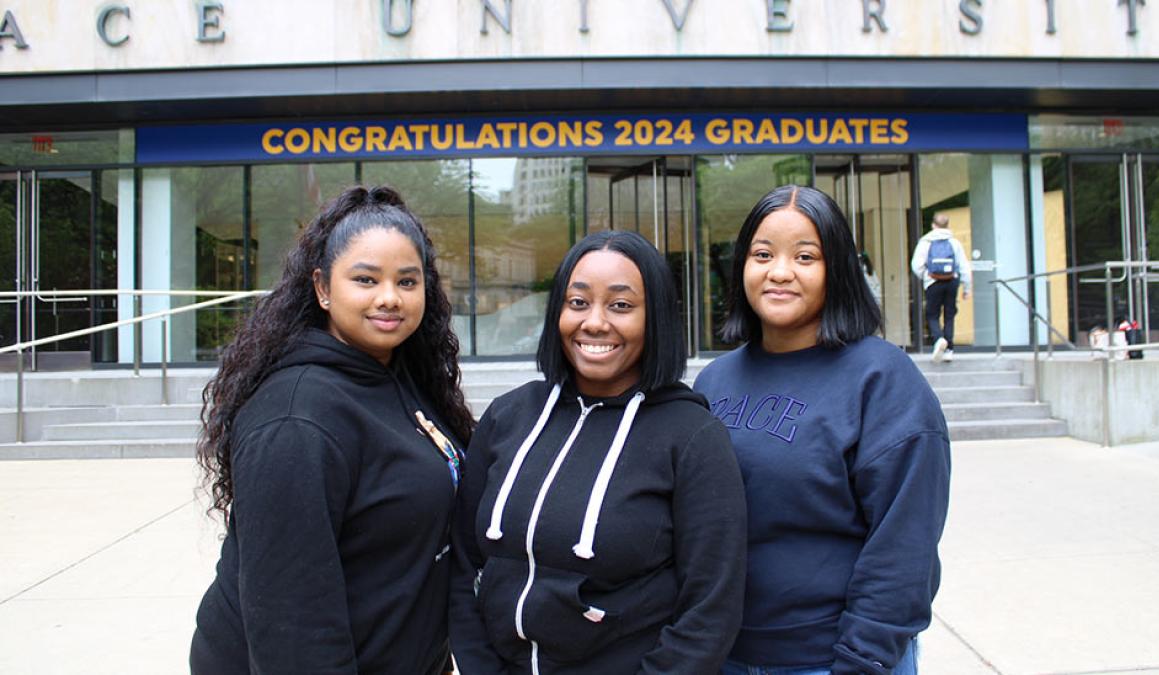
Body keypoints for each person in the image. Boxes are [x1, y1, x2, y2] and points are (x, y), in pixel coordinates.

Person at [191, 186, 475, 675]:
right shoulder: (296, 419)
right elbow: (293, 626)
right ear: (323, 287)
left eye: (407, 282)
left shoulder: (396, 376)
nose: (389, 298)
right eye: (366, 279)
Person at [450, 230, 747, 674]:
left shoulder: (691, 436)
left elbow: (710, 608)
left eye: (621, 305)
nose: (594, 322)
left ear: (655, 318)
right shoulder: (508, 417)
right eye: (578, 302)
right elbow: (462, 563)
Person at [693, 186, 951, 675]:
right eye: (762, 254)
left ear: (837, 269)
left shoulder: (882, 379)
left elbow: (904, 543)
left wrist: (861, 659)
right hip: (722, 656)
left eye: (805, 256)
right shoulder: (714, 380)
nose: (780, 271)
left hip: (831, 659)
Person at [909, 213, 972, 362]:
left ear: (933, 225)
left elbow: (916, 265)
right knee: (949, 314)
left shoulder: (926, 241)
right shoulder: (954, 243)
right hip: (952, 281)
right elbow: (964, 266)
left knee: (932, 314)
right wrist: (967, 288)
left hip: (933, 281)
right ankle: (949, 349)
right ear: (947, 225)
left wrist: (926, 275)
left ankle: (938, 339)